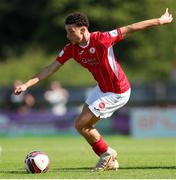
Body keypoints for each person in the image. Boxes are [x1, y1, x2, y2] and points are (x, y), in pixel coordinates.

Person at [14, 8, 173, 171]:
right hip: (102, 89)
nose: (67, 35)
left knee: (81, 122)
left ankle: (107, 154)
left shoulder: (102, 39)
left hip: (118, 91)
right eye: (66, 31)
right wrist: (26, 84)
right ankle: (109, 158)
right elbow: (50, 69)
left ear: (82, 30)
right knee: (81, 126)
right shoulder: (71, 48)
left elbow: (130, 28)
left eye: (70, 31)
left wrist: (159, 21)